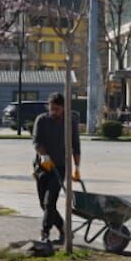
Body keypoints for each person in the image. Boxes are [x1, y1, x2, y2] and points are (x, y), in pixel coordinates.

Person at [31, 94, 80, 244]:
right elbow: (37, 142)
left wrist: (77, 167)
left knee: (49, 202)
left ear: (64, 108)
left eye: (57, 109)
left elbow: (76, 146)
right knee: (43, 204)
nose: (54, 111)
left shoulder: (70, 122)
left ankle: (45, 234)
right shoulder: (42, 120)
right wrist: (44, 156)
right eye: (51, 108)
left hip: (60, 167)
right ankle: (64, 229)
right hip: (43, 167)